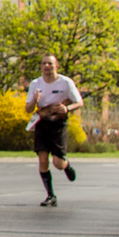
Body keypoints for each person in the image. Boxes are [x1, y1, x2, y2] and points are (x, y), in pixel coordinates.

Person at [25, 54, 82, 206]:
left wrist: (67, 108)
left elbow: (79, 102)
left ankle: (66, 165)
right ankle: (51, 195)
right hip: (42, 123)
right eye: (44, 64)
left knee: (58, 163)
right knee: (43, 160)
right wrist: (35, 100)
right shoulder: (36, 84)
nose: (47, 66)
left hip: (58, 124)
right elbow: (28, 109)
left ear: (56, 66)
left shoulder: (65, 82)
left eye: (50, 64)